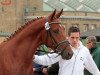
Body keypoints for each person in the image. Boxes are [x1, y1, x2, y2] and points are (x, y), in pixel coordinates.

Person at [33, 26, 100, 75]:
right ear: (68, 37)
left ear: (79, 37)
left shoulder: (85, 50)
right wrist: (34, 57)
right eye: (72, 37)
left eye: (77, 37)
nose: (75, 40)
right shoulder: (63, 49)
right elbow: (48, 59)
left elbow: (92, 67)